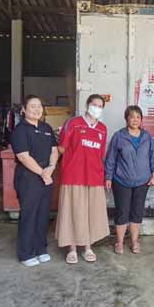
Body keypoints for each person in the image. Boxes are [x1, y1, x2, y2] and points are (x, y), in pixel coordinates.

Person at [56, 94, 110, 264]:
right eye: (94, 104)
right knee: (72, 211)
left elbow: (101, 154)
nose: (97, 108)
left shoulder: (102, 128)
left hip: (94, 176)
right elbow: (61, 148)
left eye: (100, 106)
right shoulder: (73, 123)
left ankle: (87, 247)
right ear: (87, 105)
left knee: (90, 213)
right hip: (74, 175)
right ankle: (72, 248)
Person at [10, 95, 59, 267]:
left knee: (43, 214)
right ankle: (26, 253)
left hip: (46, 176)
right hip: (28, 178)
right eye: (32, 106)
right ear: (24, 109)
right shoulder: (20, 130)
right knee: (29, 214)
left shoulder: (46, 128)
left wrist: (51, 167)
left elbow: (54, 150)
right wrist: (43, 173)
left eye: (39, 106)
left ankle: (41, 249)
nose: (37, 109)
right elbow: (23, 157)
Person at [104, 105, 154, 255]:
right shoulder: (119, 136)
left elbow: (153, 157)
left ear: (141, 120)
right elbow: (110, 158)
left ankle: (134, 241)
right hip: (122, 181)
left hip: (142, 181)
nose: (135, 120)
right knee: (122, 212)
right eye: (132, 117)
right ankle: (120, 242)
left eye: (138, 117)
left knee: (137, 212)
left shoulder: (146, 137)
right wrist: (108, 177)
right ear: (126, 119)